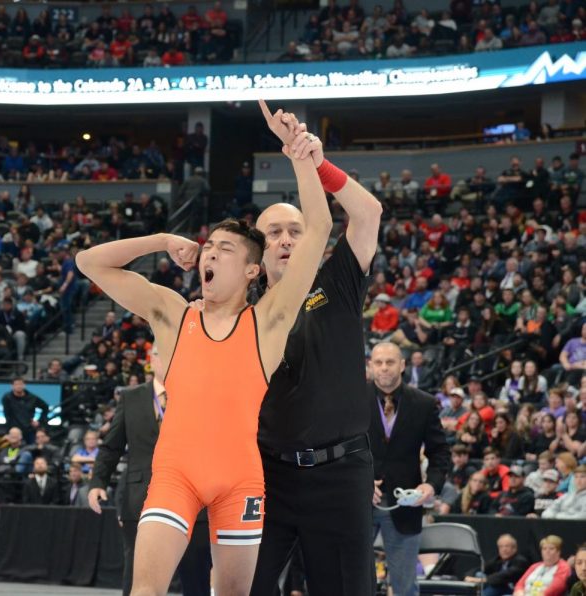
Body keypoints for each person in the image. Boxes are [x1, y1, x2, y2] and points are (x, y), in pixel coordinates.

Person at [75, 106, 331, 596]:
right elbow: (91, 263)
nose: (210, 254)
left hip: (240, 481)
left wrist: (298, 154)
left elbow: (317, 230)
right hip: (175, 474)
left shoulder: (269, 321)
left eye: (225, 250)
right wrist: (160, 240)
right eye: (208, 246)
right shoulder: (174, 314)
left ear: (253, 270)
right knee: (145, 591)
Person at [249, 103, 383, 596]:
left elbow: (368, 212)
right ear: (258, 252)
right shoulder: (244, 313)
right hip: (267, 475)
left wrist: (313, 162)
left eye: (295, 230)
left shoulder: (338, 279)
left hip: (341, 473)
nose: (285, 239)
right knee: (244, 586)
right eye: (273, 233)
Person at [88, 376, 212, 596]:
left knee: (196, 574)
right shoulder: (130, 397)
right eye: (158, 352)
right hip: (140, 496)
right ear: (151, 359)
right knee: (137, 576)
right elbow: (111, 446)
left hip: (194, 495)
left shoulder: (199, 391)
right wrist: (98, 482)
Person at [368, 341, 450, 596]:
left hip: (405, 506)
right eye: (379, 363)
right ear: (370, 366)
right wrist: (358, 480)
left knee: (404, 587)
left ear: (402, 365)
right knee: (351, 581)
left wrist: (430, 485)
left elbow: (440, 452)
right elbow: (340, 450)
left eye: (390, 362)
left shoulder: (424, 403)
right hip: (359, 503)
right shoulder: (352, 399)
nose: (384, 368)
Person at [464, 534, 529, 596]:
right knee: (479, 574)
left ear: (514, 548)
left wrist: (481, 580)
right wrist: (468, 576)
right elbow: (480, 568)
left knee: (497, 585)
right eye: (501, 547)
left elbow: (505, 576)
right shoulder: (498, 560)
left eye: (507, 546)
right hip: (497, 586)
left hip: (514, 590)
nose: (504, 549)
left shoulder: (521, 561)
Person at [1, 377, 49, 443]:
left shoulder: (32, 397)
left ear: (24, 385)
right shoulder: (7, 398)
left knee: (32, 448)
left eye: (20, 384)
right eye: (16, 384)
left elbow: (45, 407)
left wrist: (39, 421)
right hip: (14, 430)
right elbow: (7, 415)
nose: (19, 386)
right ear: (12, 386)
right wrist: (7, 432)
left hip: (29, 429)